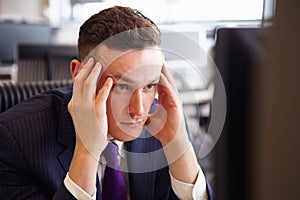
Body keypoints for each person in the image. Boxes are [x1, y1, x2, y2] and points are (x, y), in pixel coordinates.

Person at [0, 6, 214, 200]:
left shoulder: (162, 122)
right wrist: (87, 151)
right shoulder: (15, 141)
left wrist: (179, 146)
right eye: (121, 86)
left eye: (149, 86)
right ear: (78, 73)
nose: (138, 110)